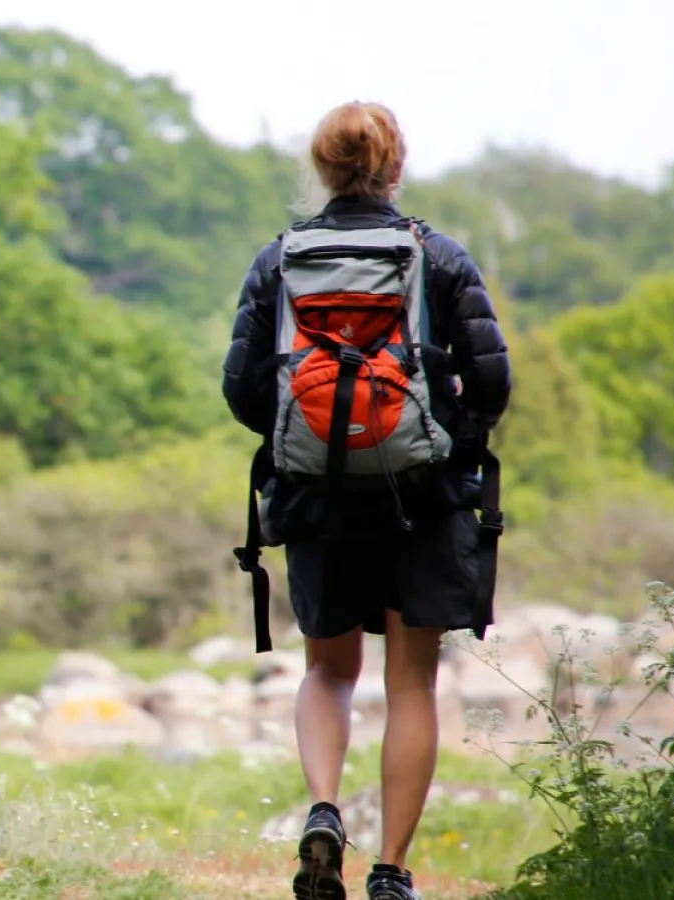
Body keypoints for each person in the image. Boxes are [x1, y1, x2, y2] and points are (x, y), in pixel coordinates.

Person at [221, 101, 511, 900]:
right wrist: (447, 426)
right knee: (411, 683)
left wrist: (305, 441)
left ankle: (322, 809)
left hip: (317, 499)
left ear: (320, 169)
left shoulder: (278, 260)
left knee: (327, 671)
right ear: (396, 167)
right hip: (423, 496)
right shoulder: (437, 257)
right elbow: (493, 381)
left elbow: (242, 388)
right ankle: (391, 872)